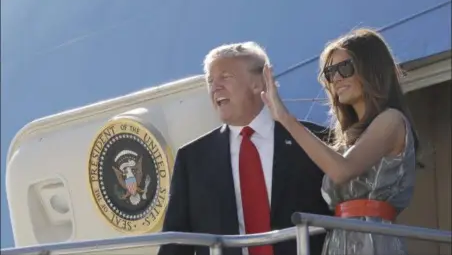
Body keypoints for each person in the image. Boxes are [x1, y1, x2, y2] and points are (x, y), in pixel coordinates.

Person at [158, 42, 332, 255]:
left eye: (226, 77)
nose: (215, 87)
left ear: (258, 83)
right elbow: (176, 243)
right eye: (210, 81)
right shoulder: (192, 159)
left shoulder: (316, 140)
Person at [261, 28, 418, 255]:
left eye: (344, 68)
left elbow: (342, 170)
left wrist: (285, 118)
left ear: (371, 69)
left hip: (375, 242)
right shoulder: (346, 138)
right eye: (330, 72)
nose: (336, 78)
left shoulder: (391, 120)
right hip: (338, 241)